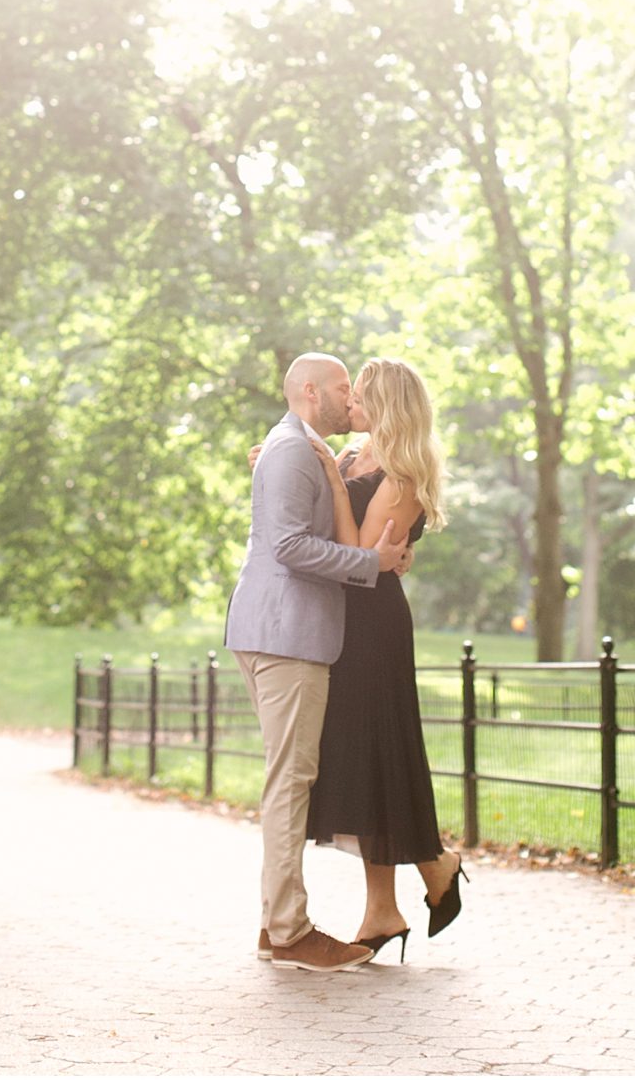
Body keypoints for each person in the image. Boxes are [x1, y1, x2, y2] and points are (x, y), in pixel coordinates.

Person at [223, 352, 407, 973]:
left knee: (290, 778)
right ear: (309, 391)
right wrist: (371, 566)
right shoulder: (293, 449)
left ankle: (278, 924)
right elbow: (289, 545)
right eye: (339, 386)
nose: (348, 395)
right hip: (286, 634)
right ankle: (289, 930)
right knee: (290, 781)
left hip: (286, 632)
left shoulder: (298, 449)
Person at [299, 357, 464, 962]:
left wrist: (332, 481)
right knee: (366, 759)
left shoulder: (403, 475)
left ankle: (413, 886)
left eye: (361, 395)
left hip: (374, 628)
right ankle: (399, 896)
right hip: (342, 622)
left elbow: (359, 554)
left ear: (389, 405)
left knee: (381, 752)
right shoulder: (349, 457)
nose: (351, 404)